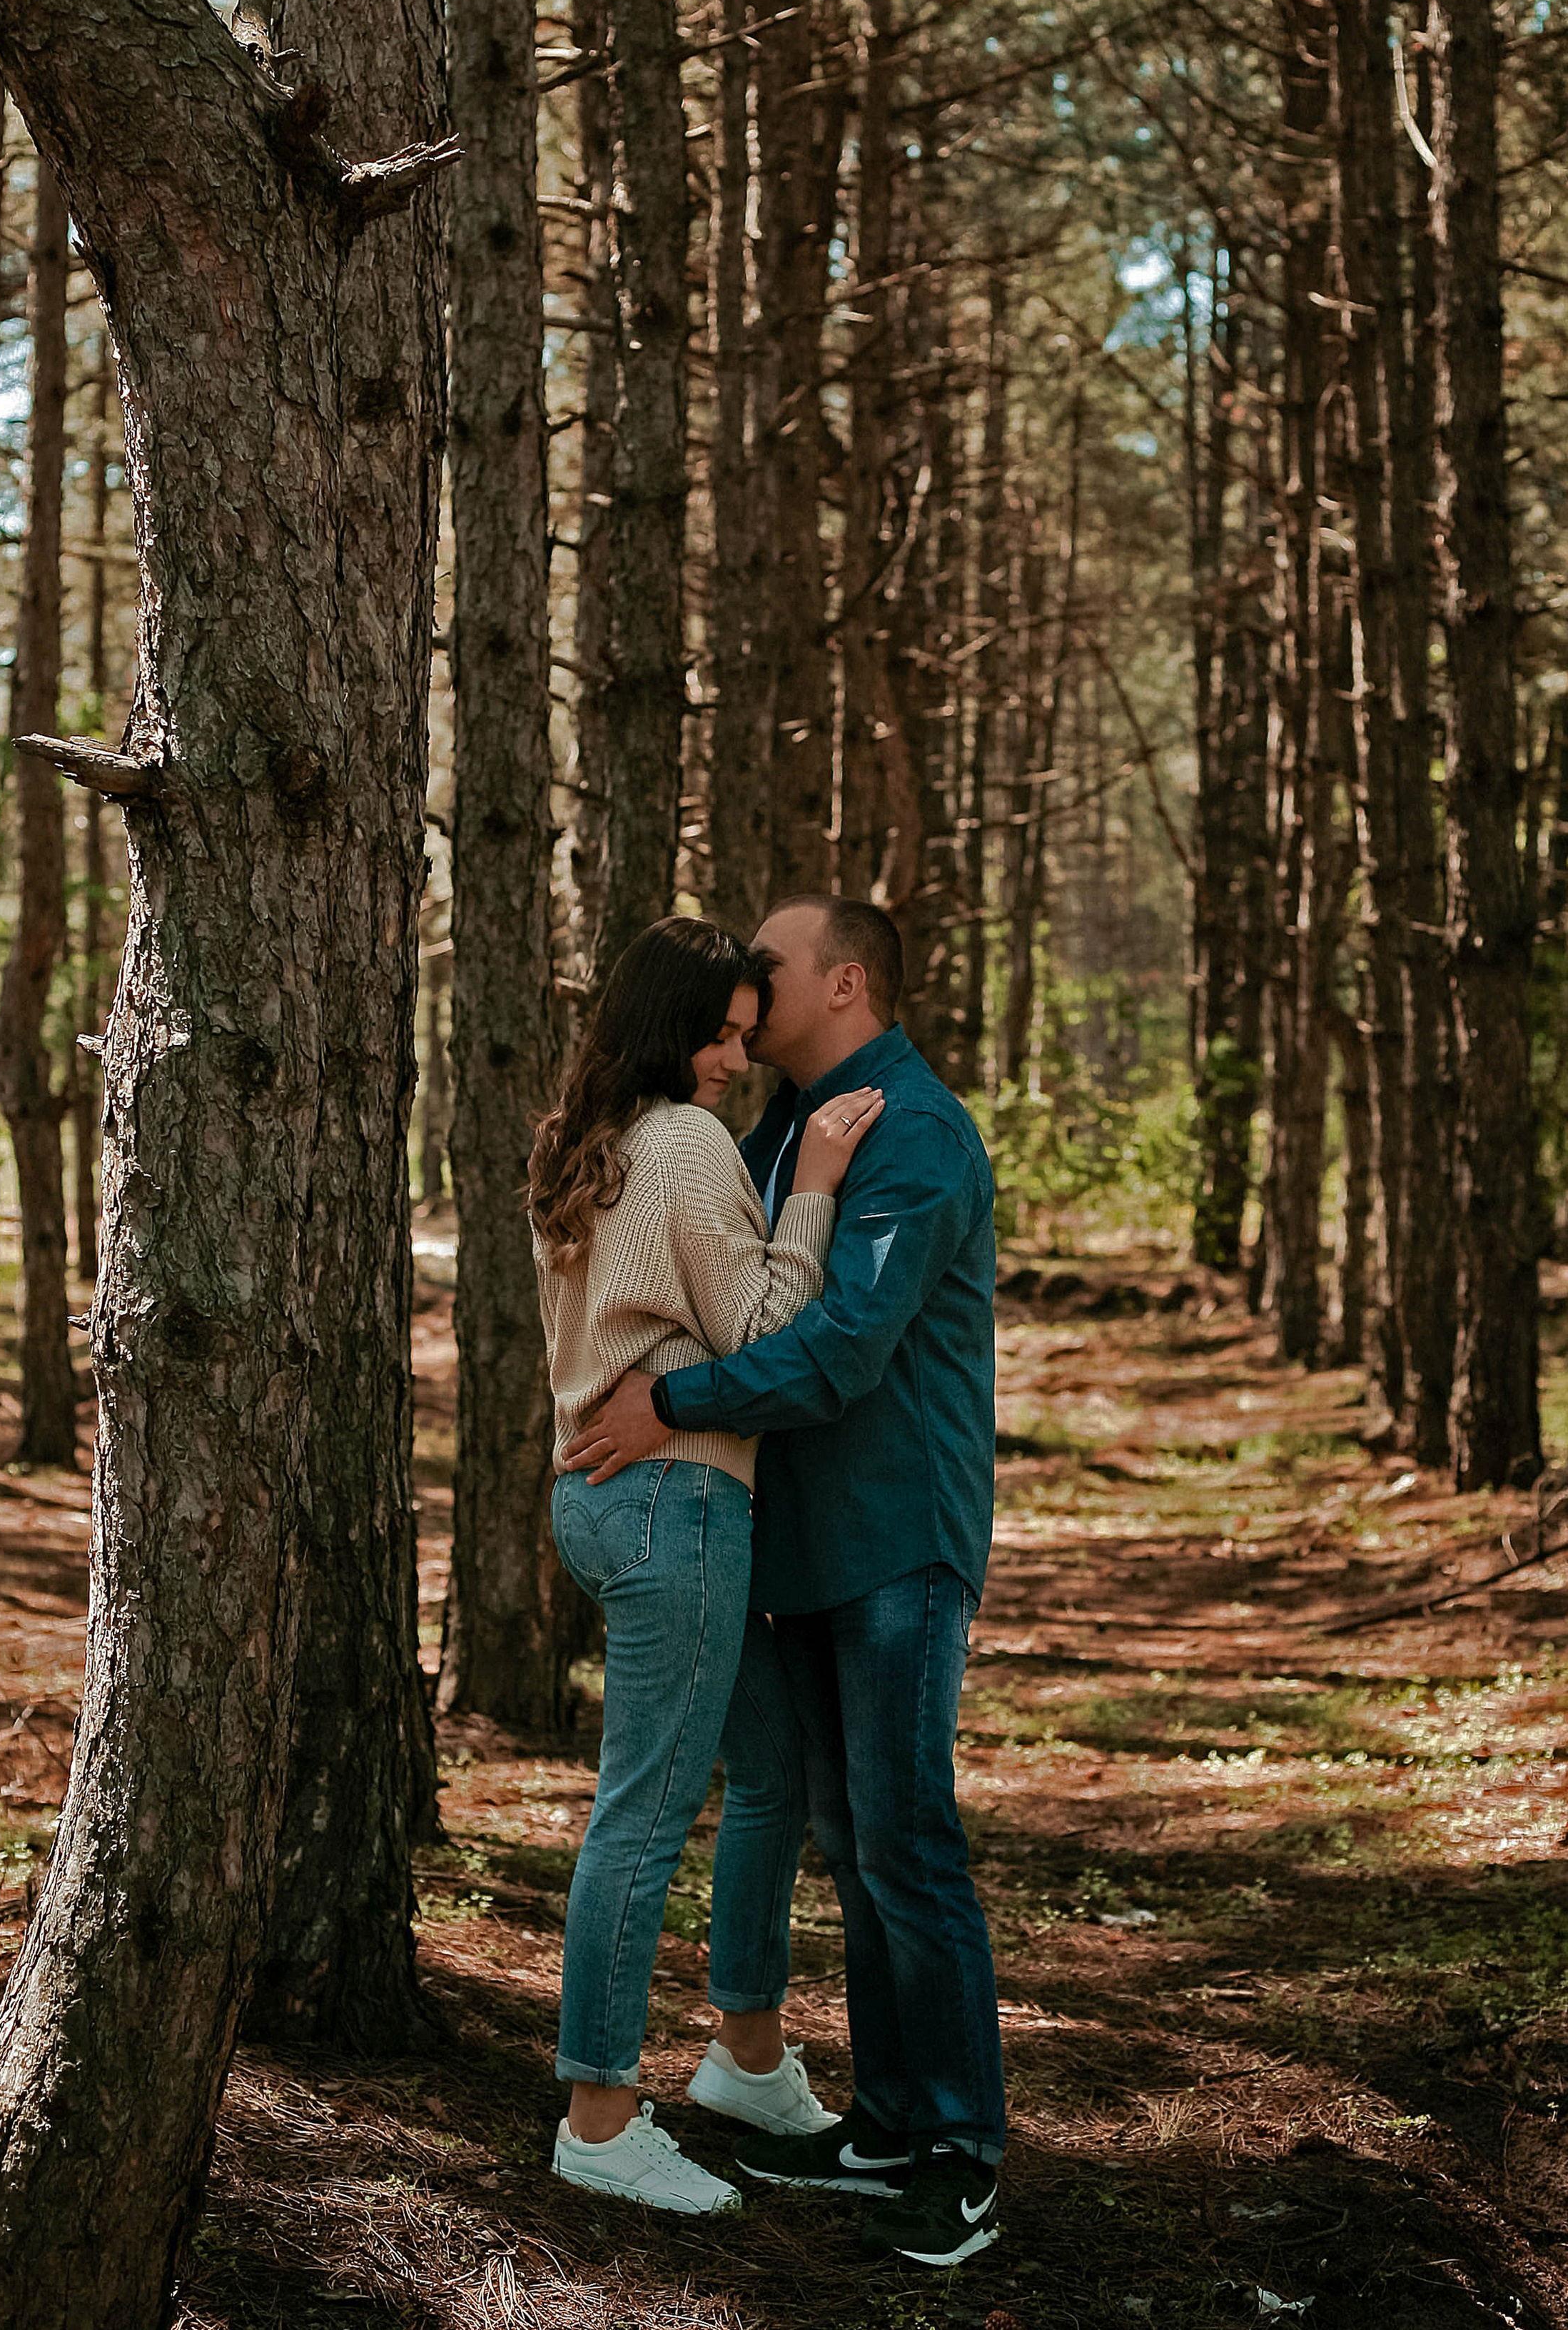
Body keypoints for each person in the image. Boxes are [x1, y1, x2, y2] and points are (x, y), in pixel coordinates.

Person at [565, 896, 1007, 2269]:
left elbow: (839, 1344)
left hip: (895, 1538)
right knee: (852, 1841)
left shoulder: (912, 1132)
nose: (748, 998)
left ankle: (962, 2150)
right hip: (800, 1542)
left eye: (774, 970)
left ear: (849, 981)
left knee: (911, 1841)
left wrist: (668, 1401)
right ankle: (888, 2123)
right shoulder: (769, 1128)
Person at [530, 915, 884, 2214]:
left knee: (770, 1768)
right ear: (664, 1022)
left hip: (615, 1498)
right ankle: (601, 2115)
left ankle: (743, 2050)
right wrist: (815, 1187)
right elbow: (761, 1327)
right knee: (646, 1808)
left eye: (747, 1032)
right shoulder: (683, 1143)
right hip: (675, 1498)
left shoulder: (589, 1138)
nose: (736, 1056)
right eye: (719, 1031)